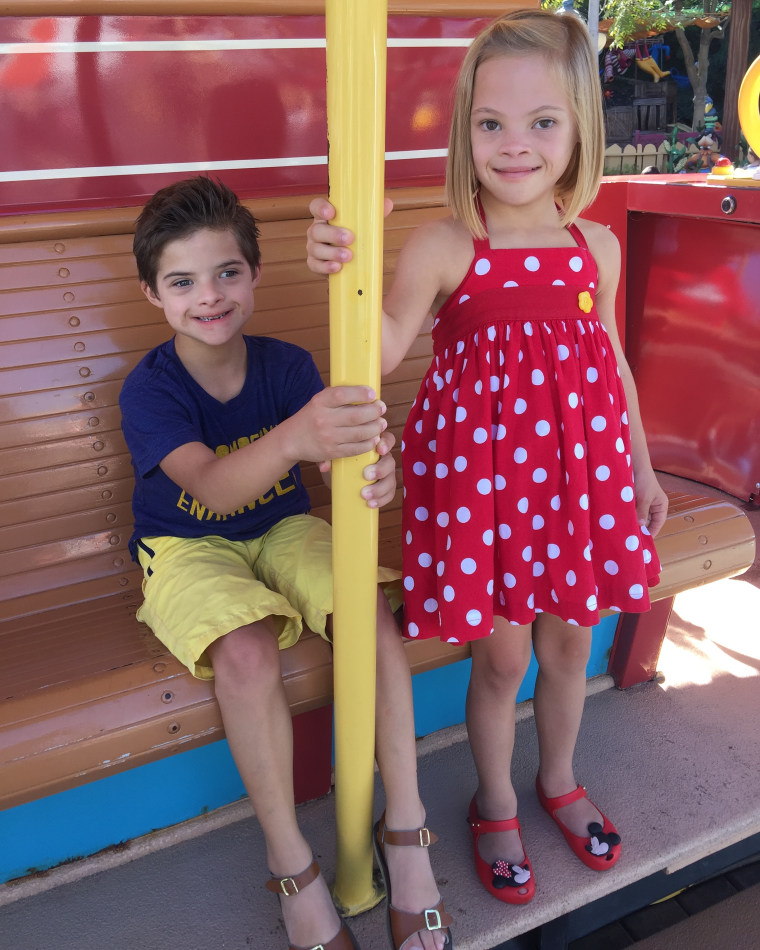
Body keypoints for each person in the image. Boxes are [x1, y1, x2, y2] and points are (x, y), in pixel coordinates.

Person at [306, 9, 668, 905]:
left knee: (571, 641)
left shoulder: (597, 249)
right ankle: (496, 798)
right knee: (503, 659)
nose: (516, 145)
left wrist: (644, 467)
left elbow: (612, 366)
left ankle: (558, 778)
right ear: (466, 130)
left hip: (581, 488)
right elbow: (379, 346)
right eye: (491, 124)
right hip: (489, 495)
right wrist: (337, 267)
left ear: (581, 124)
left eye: (543, 121)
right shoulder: (444, 245)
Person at [119, 177, 452, 950]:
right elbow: (211, 486)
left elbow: (341, 467)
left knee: (366, 616)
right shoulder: (152, 388)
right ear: (153, 295)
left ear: (255, 274)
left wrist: (373, 470)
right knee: (243, 652)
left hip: (284, 527)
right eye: (183, 282)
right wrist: (300, 439)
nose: (209, 296)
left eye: (227, 272)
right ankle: (292, 864)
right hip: (186, 542)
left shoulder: (287, 364)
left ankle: (405, 826)